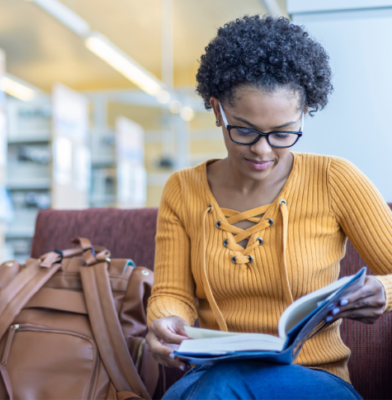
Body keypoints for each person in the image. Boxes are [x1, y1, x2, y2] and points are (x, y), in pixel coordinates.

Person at [145, 15, 392, 400]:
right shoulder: (183, 189)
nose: (262, 150)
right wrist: (165, 319)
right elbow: (171, 291)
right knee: (214, 387)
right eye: (244, 130)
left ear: (305, 113)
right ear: (216, 110)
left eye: (282, 133)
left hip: (312, 378)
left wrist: (382, 290)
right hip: (211, 372)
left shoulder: (335, 178)